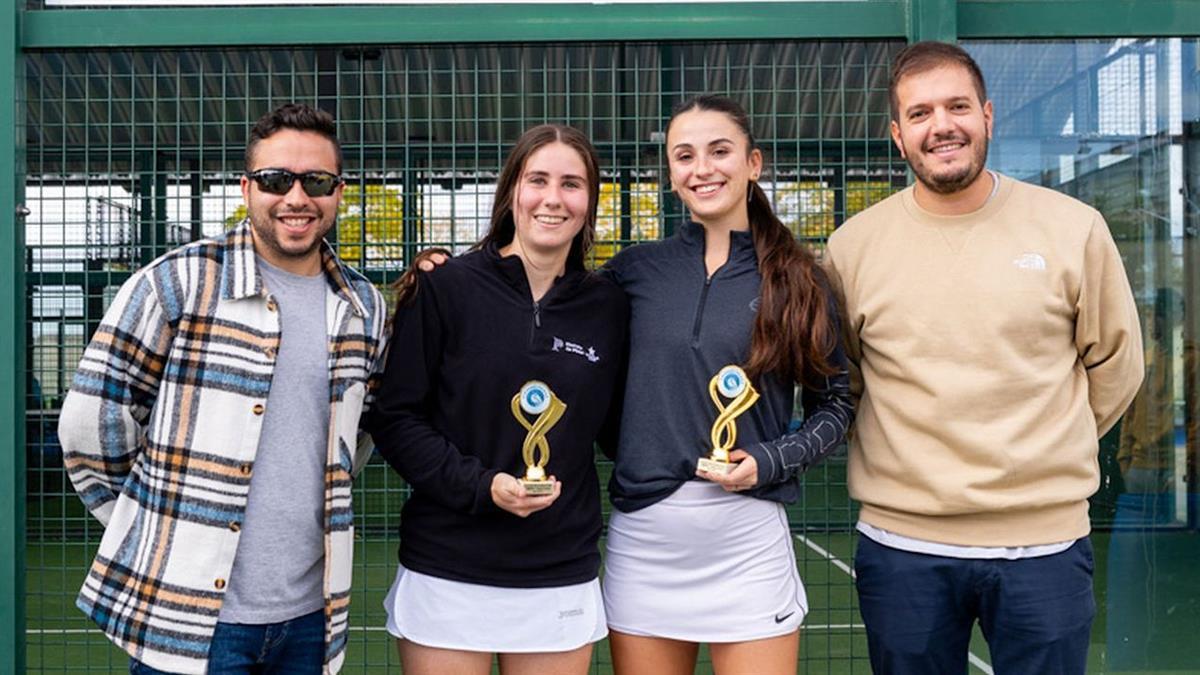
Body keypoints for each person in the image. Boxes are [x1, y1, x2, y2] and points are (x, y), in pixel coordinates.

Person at [824, 41, 1145, 675]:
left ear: (988, 116)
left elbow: (1118, 364)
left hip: (1045, 547)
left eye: (957, 106)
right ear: (898, 134)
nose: (941, 125)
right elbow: (850, 381)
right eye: (919, 114)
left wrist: (1044, 452)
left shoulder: (1072, 228)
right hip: (902, 548)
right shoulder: (852, 247)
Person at [58, 103, 388, 674]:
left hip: (312, 617)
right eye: (276, 180)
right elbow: (92, 421)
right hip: (189, 619)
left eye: (316, 181)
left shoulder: (363, 308)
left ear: (338, 190)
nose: (296, 197)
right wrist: (149, 521)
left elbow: (356, 439)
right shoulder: (176, 282)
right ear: (246, 187)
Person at [600, 95, 853, 675]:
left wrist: (768, 460)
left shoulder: (799, 277)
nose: (703, 168)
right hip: (645, 542)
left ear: (753, 163)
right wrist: (447, 272)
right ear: (670, 174)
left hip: (747, 543)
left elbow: (836, 405)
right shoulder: (633, 271)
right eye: (684, 156)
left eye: (720, 151)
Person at [365, 124, 628, 675]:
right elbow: (396, 419)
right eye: (538, 180)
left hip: (558, 567)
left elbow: (617, 428)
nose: (553, 198)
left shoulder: (609, 306)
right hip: (447, 564)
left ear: (590, 202)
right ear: (512, 192)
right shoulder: (444, 287)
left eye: (572, 184)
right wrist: (483, 486)